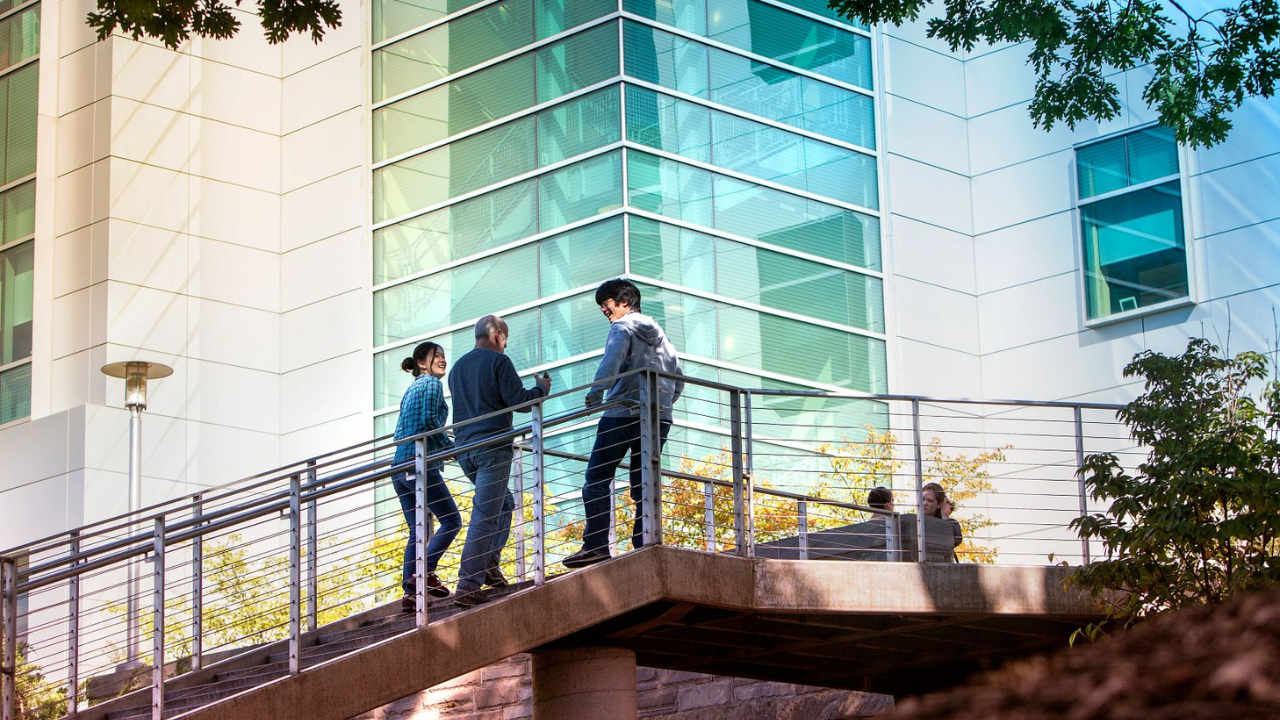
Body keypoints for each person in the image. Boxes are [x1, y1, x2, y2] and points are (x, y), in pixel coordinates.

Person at [563, 279, 684, 569]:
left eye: (607, 302)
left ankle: (595, 545)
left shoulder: (622, 328)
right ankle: (645, 541)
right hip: (657, 417)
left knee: (596, 478)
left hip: (622, 413)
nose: (603, 308)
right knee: (643, 481)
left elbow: (611, 361)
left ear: (625, 303)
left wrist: (595, 392)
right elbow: (677, 378)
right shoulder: (662, 336)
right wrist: (663, 405)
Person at [448, 315, 551, 607]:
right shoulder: (499, 362)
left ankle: (490, 564)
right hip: (492, 447)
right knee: (485, 514)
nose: (505, 346)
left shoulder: (457, 368)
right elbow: (518, 400)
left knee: (503, 504)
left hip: (465, 450)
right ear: (497, 337)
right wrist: (542, 389)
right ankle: (468, 585)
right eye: (505, 340)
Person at [390, 341, 462, 611]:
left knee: (417, 531)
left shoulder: (412, 389)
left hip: (399, 465)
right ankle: (425, 572)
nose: (442, 359)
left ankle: (411, 594)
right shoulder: (431, 385)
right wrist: (451, 448)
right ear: (422, 363)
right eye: (436, 356)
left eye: (444, 355)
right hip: (418, 463)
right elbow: (430, 420)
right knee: (452, 520)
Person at [922, 481, 963, 561]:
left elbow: (956, 539)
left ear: (939, 504)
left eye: (930, 501)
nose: (924, 503)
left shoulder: (950, 522)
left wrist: (945, 515)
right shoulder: (916, 521)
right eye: (923, 499)